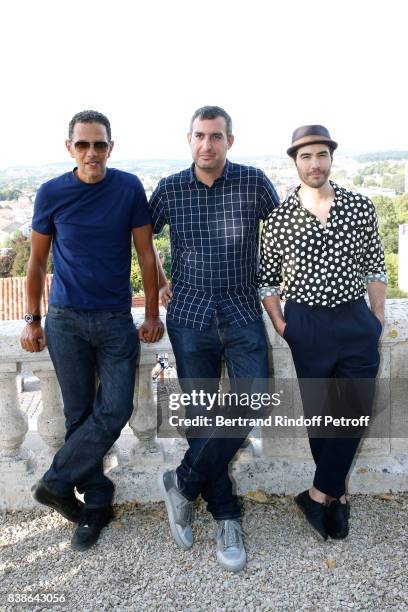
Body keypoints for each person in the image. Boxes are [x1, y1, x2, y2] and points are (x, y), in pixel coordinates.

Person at [20, 110, 164, 551]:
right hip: (64, 320)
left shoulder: (127, 188)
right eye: (82, 145)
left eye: (99, 144)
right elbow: (37, 261)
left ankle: (55, 482)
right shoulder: (50, 193)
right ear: (70, 148)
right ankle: (95, 502)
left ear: (110, 147)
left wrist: (153, 313)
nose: (91, 153)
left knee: (116, 407)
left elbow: (146, 254)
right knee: (79, 415)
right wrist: (32, 318)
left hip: (115, 319)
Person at [149, 105, 280, 571]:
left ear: (230, 140)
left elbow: (286, 233)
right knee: (202, 417)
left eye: (216, 136)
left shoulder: (254, 182)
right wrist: (159, 278)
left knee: (254, 400)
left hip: (243, 309)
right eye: (200, 136)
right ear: (189, 139)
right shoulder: (169, 189)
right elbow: (141, 238)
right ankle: (226, 514)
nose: (208, 144)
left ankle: (181, 483)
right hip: (189, 314)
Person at [258, 125, 387, 540]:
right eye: (306, 157)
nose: (314, 164)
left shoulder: (359, 207)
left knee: (356, 409)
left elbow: (375, 265)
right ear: (295, 162)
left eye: (321, 155)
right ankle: (338, 497)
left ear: (331, 158)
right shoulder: (279, 219)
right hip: (307, 323)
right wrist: (282, 324)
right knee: (322, 415)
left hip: (354, 320)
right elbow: (266, 280)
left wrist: (377, 316)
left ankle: (317, 493)